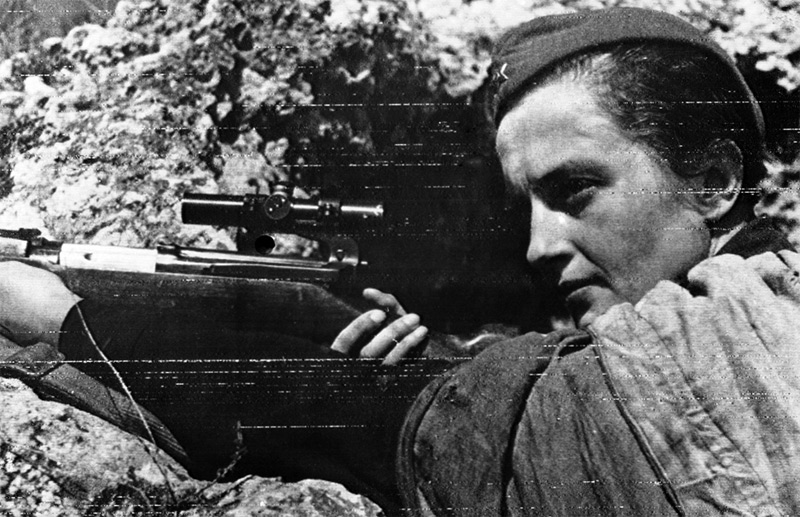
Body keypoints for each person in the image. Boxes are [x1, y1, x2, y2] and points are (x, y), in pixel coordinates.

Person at [2, 6, 800, 516]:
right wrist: (446, 362)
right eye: (526, 206)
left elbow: (346, 410)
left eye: (576, 190)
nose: (538, 246)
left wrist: (55, 316)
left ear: (713, 180)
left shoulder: (730, 338)